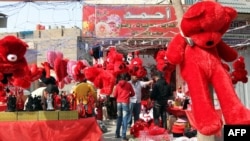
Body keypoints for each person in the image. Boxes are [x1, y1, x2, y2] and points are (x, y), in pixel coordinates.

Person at [113, 74, 135, 141]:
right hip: (125, 102)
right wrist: (128, 95)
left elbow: (114, 95)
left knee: (119, 118)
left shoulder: (117, 85)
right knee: (125, 119)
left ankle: (117, 134)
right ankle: (123, 135)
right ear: (125, 78)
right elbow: (133, 93)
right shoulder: (128, 85)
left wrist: (119, 98)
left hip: (119, 103)